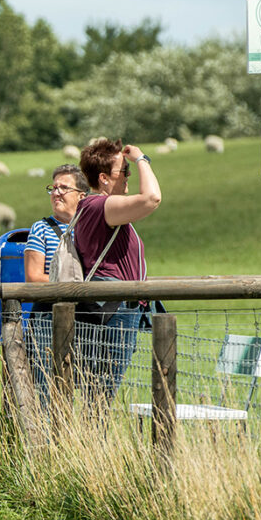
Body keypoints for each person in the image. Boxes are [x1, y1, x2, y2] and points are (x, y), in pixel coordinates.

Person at [71, 138, 163, 404]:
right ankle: (92, 442)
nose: (128, 177)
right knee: (102, 392)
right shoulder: (102, 206)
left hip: (107, 306)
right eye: (124, 172)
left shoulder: (91, 208)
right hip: (115, 308)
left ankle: (87, 441)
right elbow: (152, 198)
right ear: (103, 178)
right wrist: (142, 159)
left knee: (97, 390)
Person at [21, 164, 89, 406]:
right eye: (53, 188)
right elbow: (33, 277)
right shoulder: (41, 229)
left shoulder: (90, 228)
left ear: (82, 195)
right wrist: (72, 289)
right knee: (44, 390)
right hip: (46, 321)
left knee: (85, 386)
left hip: (85, 320)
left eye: (64, 187)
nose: (56, 192)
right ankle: (45, 443)